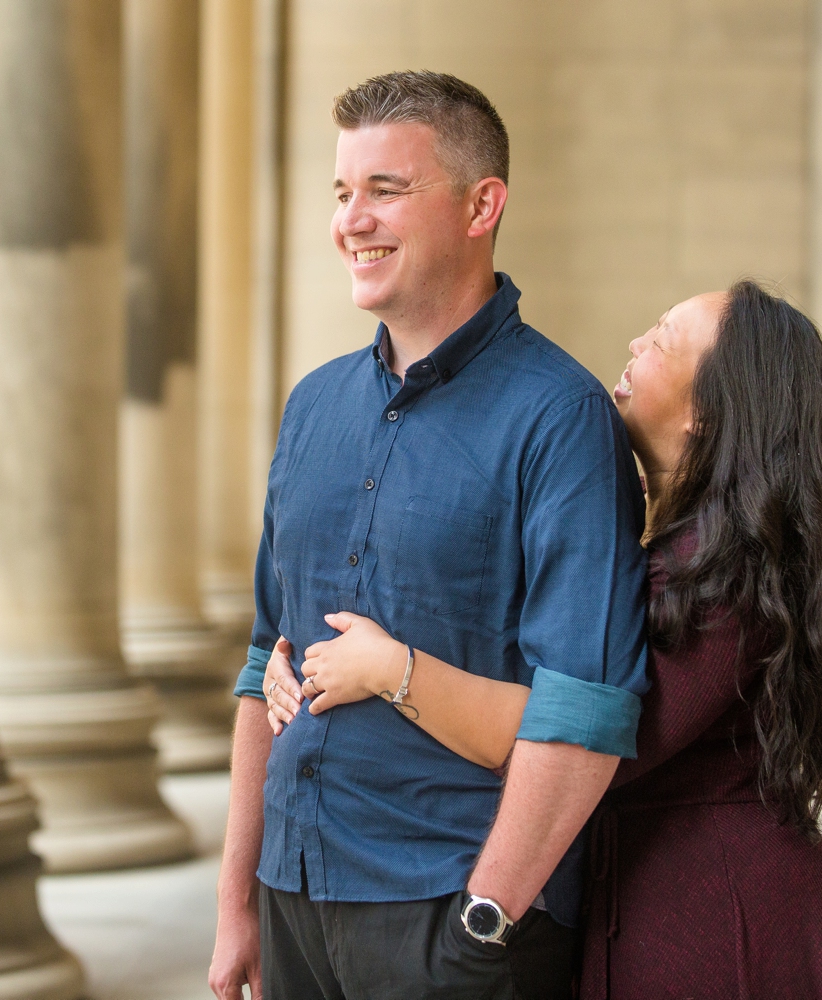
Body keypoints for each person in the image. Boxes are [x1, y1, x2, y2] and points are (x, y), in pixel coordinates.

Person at [265, 282, 822, 999]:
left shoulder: (726, 584)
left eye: (661, 337)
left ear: (709, 413)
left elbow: (581, 736)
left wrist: (390, 669)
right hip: (657, 900)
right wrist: (303, 660)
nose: (634, 345)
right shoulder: (680, 550)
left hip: (723, 923)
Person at [207, 71, 650, 1000]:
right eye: (341, 192)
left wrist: (484, 924)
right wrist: (236, 902)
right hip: (292, 895)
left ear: (482, 204)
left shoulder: (561, 418)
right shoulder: (312, 407)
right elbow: (263, 663)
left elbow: (587, 712)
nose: (351, 221)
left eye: (386, 190)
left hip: (449, 907)